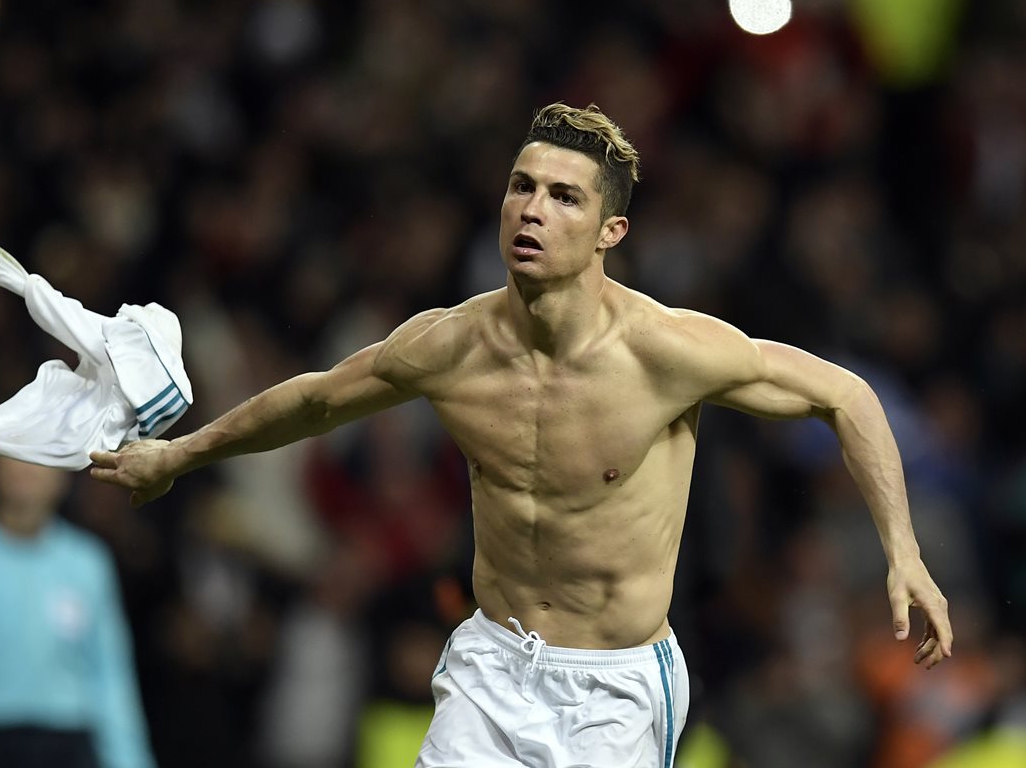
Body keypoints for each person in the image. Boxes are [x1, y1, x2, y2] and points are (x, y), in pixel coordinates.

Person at [90, 102, 953, 767]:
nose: (532, 209)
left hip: (617, 688)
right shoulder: (450, 345)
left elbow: (847, 395)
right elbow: (317, 400)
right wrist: (180, 453)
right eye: (522, 186)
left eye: (564, 196)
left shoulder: (667, 352)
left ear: (610, 232)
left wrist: (903, 550)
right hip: (492, 664)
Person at [0, 456, 156, 768]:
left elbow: (110, 673)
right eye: (15, 453)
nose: (26, 468)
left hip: (66, 742)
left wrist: (130, 760)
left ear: (64, 475)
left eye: (42, 456)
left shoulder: (87, 563)